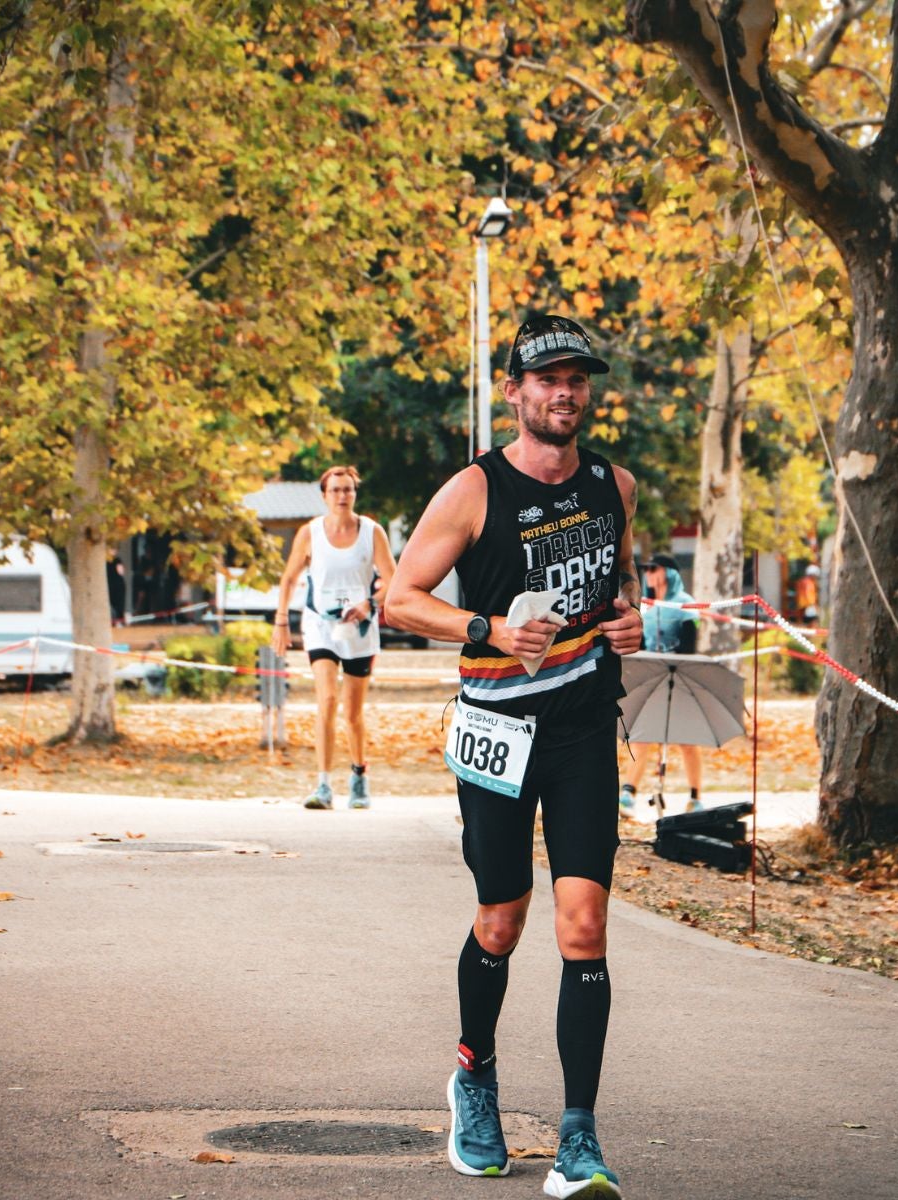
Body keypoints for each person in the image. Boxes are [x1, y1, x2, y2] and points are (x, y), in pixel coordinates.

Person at [386, 314, 643, 1199]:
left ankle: (579, 1138)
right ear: (515, 391)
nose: (564, 392)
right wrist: (488, 627)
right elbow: (399, 598)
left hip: (579, 728)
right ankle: (475, 1077)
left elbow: (621, 583)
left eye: (576, 378)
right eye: (547, 379)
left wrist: (631, 618)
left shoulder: (617, 485)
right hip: (497, 731)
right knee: (502, 920)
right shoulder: (473, 490)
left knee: (584, 926)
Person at [272, 466, 397, 809]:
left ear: (355, 494)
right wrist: (281, 620)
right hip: (320, 625)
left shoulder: (372, 532)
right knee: (326, 700)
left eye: (348, 490)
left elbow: (393, 580)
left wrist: (368, 603)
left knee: (352, 712)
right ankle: (323, 785)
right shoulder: (309, 533)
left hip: (358, 628)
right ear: (325, 495)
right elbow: (288, 579)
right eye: (336, 490)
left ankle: (358, 776)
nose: (342, 496)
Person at [620, 553, 703, 814]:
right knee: (642, 736)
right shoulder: (648, 606)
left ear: (668, 573)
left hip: (680, 679)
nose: (649, 573)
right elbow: (641, 646)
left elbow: (690, 646)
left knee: (688, 740)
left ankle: (695, 796)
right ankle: (628, 792)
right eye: (645, 569)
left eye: (653, 569)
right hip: (653, 680)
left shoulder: (685, 604)